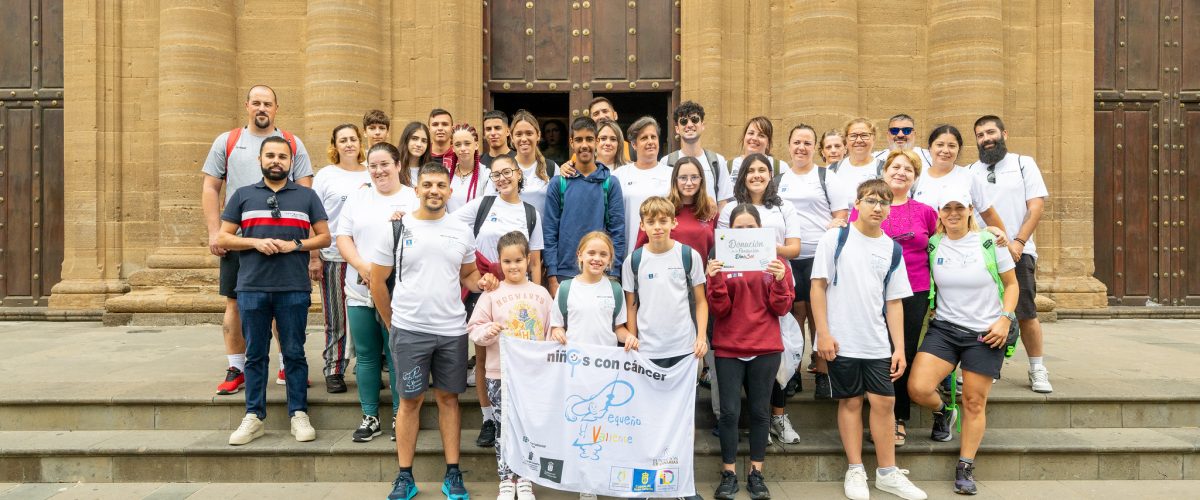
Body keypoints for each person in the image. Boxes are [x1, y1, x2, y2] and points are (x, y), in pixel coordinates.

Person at [367, 162, 498, 500]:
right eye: (427, 185)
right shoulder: (397, 229)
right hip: (410, 329)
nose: (434, 191)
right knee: (409, 401)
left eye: (441, 185)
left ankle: (453, 473)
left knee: (449, 399)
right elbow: (377, 281)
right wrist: (391, 321)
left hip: (452, 330)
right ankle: (404, 476)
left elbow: (468, 274)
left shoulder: (459, 230)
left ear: (449, 191)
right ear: (417, 189)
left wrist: (480, 281)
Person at [811, 179, 927, 500]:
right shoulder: (836, 238)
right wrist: (823, 333)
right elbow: (818, 286)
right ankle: (855, 469)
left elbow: (893, 302)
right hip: (841, 339)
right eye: (871, 200)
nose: (878, 207)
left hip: (877, 341)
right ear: (857, 203)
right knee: (850, 401)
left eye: (884, 202)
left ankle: (887, 472)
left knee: (885, 402)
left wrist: (900, 347)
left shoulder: (892, 249)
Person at [202, 84, 314, 396]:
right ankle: (236, 367)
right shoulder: (228, 141)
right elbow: (211, 187)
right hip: (240, 240)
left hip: (283, 242)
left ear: (276, 108)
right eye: (256, 103)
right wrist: (215, 232)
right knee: (235, 304)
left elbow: (305, 192)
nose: (261, 108)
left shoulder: (292, 143)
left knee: (284, 303)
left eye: (267, 103)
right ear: (247, 106)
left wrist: (303, 244)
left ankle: (285, 364)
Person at [220, 136, 330, 446]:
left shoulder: (307, 197)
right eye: (270, 155)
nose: (276, 161)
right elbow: (223, 238)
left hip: (292, 287)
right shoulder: (242, 196)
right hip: (252, 287)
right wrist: (254, 242)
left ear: (290, 161)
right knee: (255, 354)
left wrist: (295, 244)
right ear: (260, 160)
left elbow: (324, 238)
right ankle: (254, 416)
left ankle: (298, 413)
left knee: (294, 352)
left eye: (282, 156)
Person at [907, 189, 1019, 496]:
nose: (953, 213)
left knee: (973, 400)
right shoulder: (934, 244)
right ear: (940, 212)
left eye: (960, 207)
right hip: (944, 329)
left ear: (970, 209)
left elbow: (1011, 285)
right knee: (917, 388)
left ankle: (965, 465)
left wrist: (1005, 318)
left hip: (985, 334)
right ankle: (943, 410)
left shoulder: (989, 242)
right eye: (947, 208)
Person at [453, 155, 545, 448]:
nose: (502, 178)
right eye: (496, 174)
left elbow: (536, 260)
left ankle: (518, 415)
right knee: (484, 356)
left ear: (519, 174)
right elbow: (448, 225)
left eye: (507, 172)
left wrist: (538, 299)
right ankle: (488, 418)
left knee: (520, 352)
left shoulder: (531, 213)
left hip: (521, 292)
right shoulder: (483, 205)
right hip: (487, 288)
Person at [706, 204, 794, 500]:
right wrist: (715, 280)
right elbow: (719, 310)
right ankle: (728, 473)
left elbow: (782, 308)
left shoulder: (776, 261)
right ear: (730, 232)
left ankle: (756, 472)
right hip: (729, 346)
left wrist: (781, 279)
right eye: (738, 228)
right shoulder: (720, 260)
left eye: (750, 227)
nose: (744, 233)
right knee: (729, 413)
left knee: (759, 412)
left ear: (759, 229)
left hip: (765, 346)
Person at [849, 150, 937, 446]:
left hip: (914, 291)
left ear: (915, 177)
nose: (901, 172)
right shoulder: (867, 205)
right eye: (895, 167)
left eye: (908, 169)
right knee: (876, 352)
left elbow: (943, 244)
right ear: (884, 171)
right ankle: (872, 414)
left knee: (903, 353)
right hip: (871, 291)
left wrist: (988, 230)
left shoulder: (926, 211)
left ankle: (897, 418)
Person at [335, 142, 419, 443]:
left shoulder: (413, 197)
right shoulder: (359, 197)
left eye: (385, 164)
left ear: (398, 165)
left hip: (401, 291)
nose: (379, 170)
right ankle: (370, 417)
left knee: (396, 354)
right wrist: (363, 267)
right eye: (373, 165)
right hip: (359, 288)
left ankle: (401, 415)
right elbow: (343, 236)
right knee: (368, 356)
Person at [717, 153, 803, 443]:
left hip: (774, 283)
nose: (756, 175)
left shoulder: (784, 207)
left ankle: (776, 417)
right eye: (750, 170)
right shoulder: (729, 208)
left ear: (770, 174)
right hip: (739, 288)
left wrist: (765, 248)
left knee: (776, 358)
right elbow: (724, 247)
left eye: (762, 170)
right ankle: (756, 422)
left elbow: (794, 248)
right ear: (742, 176)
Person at [967, 115, 1052, 393]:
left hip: (1019, 249)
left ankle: (1037, 368)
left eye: (991, 132)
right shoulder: (970, 171)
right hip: (982, 253)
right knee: (985, 313)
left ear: (1004, 133)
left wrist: (1018, 241)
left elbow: (1036, 206)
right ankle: (989, 367)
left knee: (1025, 311)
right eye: (980, 135)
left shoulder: (1022, 163)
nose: (986, 138)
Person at [467, 231, 553, 500]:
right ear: (499, 263)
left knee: (528, 427)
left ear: (528, 260)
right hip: (499, 373)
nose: (513, 266)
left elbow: (552, 331)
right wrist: (488, 331)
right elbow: (474, 329)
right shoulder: (492, 295)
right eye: (507, 261)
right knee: (504, 427)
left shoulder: (541, 294)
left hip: (533, 376)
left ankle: (526, 477)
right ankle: (506, 478)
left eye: (518, 260)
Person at [775, 124, 852, 400]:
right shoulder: (778, 179)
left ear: (814, 147)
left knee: (819, 316)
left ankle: (821, 372)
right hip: (787, 257)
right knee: (795, 314)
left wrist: (836, 224)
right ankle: (793, 371)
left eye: (807, 143)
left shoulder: (826, 177)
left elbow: (841, 215)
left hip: (820, 256)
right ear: (789, 145)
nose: (801, 147)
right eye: (797, 142)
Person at [311, 124, 371, 394]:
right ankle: (334, 368)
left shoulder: (371, 171)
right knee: (336, 316)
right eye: (343, 140)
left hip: (366, 256)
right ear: (334, 145)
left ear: (360, 143)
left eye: (353, 139)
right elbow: (314, 217)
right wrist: (314, 257)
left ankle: (367, 365)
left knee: (368, 314)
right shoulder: (326, 175)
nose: (349, 144)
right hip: (334, 255)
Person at [543, 116, 625, 295]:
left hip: (601, 270)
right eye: (579, 139)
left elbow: (617, 231)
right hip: (565, 272)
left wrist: (614, 272)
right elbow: (550, 231)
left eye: (589, 139)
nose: (584, 145)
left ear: (596, 141)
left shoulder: (610, 183)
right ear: (572, 142)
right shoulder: (559, 183)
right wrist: (552, 274)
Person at [622, 196, 708, 368]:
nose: (657, 227)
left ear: (674, 223)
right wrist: (633, 339)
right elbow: (631, 306)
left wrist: (700, 338)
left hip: (685, 347)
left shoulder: (689, 255)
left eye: (663, 221)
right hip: (647, 349)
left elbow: (701, 301)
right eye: (651, 222)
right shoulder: (633, 261)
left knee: (687, 396)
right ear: (642, 225)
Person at [910, 125, 1007, 233]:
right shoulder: (916, 177)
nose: (945, 150)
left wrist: (1008, 246)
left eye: (952, 146)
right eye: (940, 145)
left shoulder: (968, 176)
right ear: (930, 148)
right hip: (924, 246)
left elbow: (989, 214)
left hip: (961, 246)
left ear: (958, 149)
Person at [549, 231, 636, 349]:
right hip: (574, 359)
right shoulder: (565, 288)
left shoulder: (615, 289)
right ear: (580, 255)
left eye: (603, 254)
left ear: (610, 259)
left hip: (605, 361)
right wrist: (558, 333)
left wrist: (628, 338)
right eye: (591, 253)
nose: (597, 258)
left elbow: (618, 328)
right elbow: (557, 326)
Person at [613, 116, 671, 255]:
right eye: (644, 138)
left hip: (665, 251)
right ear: (634, 144)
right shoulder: (619, 175)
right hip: (629, 252)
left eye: (653, 137)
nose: (650, 141)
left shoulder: (672, 174)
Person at [659, 100, 734, 206]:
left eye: (694, 120)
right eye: (684, 121)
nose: (689, 125)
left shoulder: (717, 161)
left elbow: (723, 203)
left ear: (702, 125)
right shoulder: (666, 162)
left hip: (708, 221)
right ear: (677, 129)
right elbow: (664, 201)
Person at [499, 110, 555, 210]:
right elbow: (491, 205)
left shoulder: (552, 168)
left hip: (542, 226)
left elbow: (559, 205)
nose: (524, 139)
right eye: (519, 134)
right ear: (511, 137)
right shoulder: (501, 168)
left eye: (529, 133)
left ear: (538, 135)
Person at [830, 118, 884, 201]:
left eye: (864, 135)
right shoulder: (832, 170)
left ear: (873, 138)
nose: (858, 140)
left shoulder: (885, 169)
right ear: (846, 140)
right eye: (853, 136)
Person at [444, 123, 491, 213]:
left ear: (476, 145)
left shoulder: (486, 174)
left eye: (467, 143)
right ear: (453, 148)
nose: (462, 148)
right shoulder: (446, 175)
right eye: (458, 145)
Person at [398, 121, 431, 187]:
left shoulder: (432, 170)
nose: (419, 144)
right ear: (406, 140)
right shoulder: (394, 168)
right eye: (414, 138)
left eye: (424, 141)